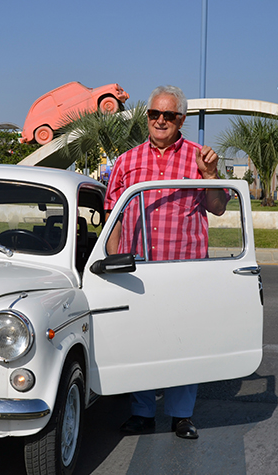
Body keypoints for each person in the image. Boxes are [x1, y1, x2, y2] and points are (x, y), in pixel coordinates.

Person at [104, 85, 229, 439]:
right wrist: (114, 261)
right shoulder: (127, 162)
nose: (160, 121)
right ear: (147, 117)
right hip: (138, 266)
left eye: (168, 115)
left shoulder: (199, 158)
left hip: (183, 269)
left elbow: (218, 207)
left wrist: (210, 175)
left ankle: (181, 416)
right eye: (154, 114)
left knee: (183, 340)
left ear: (181, 120)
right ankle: (142, 412)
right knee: (140, 339)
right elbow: (113, 214)